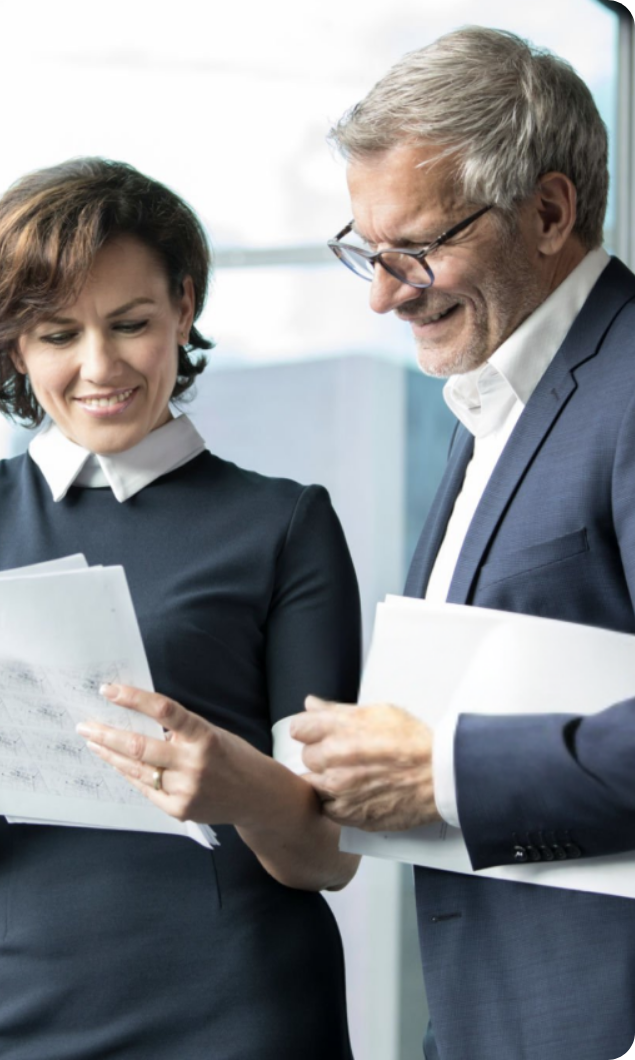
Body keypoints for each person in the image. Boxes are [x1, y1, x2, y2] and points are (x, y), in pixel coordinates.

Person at [0, 157, 363, 1060]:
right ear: (15, 345)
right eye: (58, 334)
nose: (100, 366)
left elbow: (327, 858)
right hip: (28, 1015)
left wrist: (236, 785)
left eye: (130, 323)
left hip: (244, 1017)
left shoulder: (284, 524)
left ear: (183, 305)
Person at [289, 26, 635, 1060]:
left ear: (548, 212)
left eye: (416, 247)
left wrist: (443, 773)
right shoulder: (498, 399)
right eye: (366, 250)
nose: (383, 292)